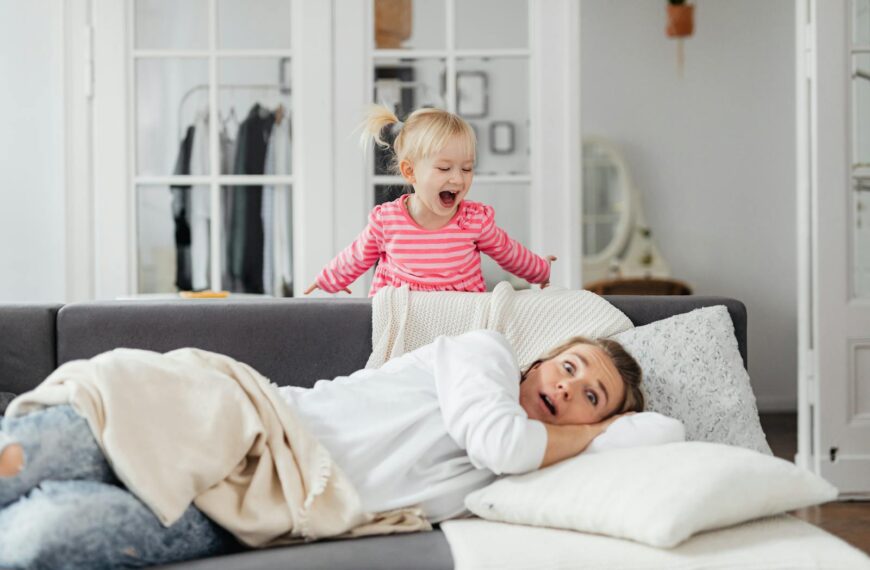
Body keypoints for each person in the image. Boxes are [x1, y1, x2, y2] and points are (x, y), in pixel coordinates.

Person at [0, 331, 643, 569]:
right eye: (570, 365)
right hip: (250, 424)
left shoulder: (522, 477)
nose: (570, 386)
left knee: (41, 541)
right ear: (538, 360)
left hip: (260, 515)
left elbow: (657, 441)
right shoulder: (485, 357)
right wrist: (592, 428)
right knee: (30, 458)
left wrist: (601, 437)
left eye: (592, 396)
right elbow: (502, 440)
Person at [304, 106, 556, 297]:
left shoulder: (474, 221)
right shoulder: (387, 221)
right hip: (400, 321)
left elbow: (509, 252)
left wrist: (540, 269)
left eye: (467, 169)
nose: (457, 178)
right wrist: (327, 279)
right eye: (444, 168)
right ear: (410, 172)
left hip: (460, 325)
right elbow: (356, 255)